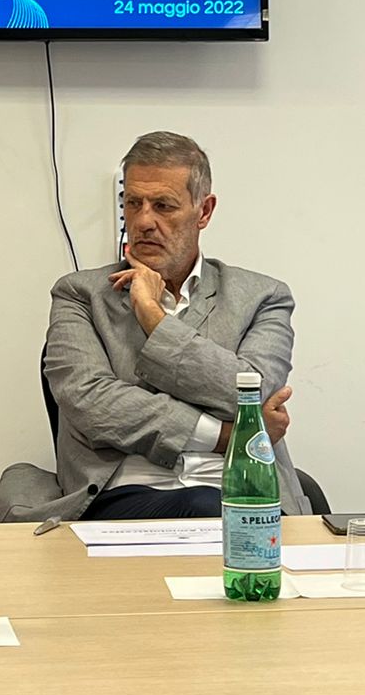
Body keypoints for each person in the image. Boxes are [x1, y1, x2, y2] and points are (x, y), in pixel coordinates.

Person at [41, 131, 307, 520]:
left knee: (219, 511)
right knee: (203, 509)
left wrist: (153, 316)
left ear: (204, 211)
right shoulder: (80, 294)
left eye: (163, 206)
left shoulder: (263, 296)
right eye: (133, 203)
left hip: (240, 489)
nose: (144, 221)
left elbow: (253, 391)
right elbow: (91, 402)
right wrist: (225, 436)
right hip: (120, 494)